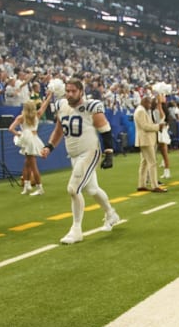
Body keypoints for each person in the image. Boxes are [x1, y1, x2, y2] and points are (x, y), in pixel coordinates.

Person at [40, 78, 120, 244]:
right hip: (75, 156)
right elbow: (59, 130)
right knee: (92, 189)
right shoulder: (62, 106)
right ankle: (111, 214)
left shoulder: (91, 106)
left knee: (73, 189)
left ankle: (76, 230)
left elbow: (105, 129)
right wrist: (49, 146)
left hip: (89, 152)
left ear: (81, 92)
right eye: (67, 91)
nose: (69, 94)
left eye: (73, 91)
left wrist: (109, 153)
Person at [9, 91, 53, 195]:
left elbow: (11, 128)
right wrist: (49, 96)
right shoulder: (37, 115)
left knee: (32, 165)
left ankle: (39, 188)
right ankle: (27, 185)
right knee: (27, 164)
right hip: (34, 138)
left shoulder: (21, 117)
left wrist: (19, 134)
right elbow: (44, 105)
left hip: (27, 139)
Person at [134, 95, 168, 192]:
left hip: (145, 140)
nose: (150, 105)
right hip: (146, 140)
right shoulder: (140, 111)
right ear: (144, 102)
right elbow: (144, 126)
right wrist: (158, 127)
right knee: (152, 162)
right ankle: (154, 185)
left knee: (144, 162)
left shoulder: (141, 110)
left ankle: (141, 184)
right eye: (149, 103)